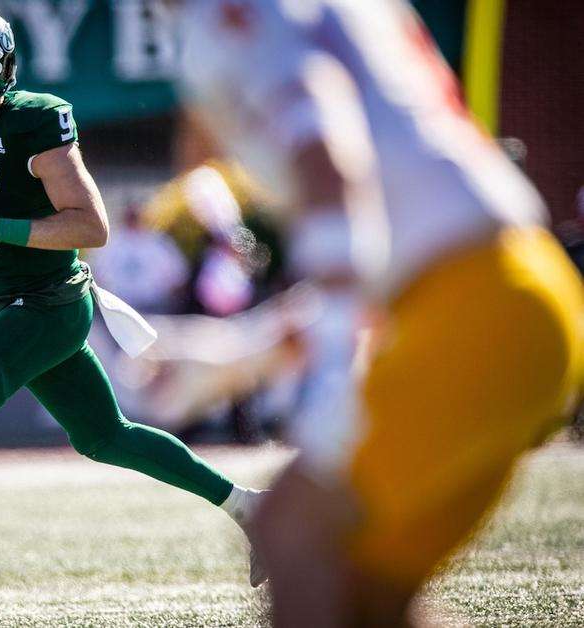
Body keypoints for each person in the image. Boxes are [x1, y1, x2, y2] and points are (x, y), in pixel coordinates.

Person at [178, 1, 583, 625]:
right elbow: (394, 230)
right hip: (513, 290)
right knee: (367, 596)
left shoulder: (239, 13)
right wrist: (253, 349)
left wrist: (330, 377)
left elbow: (331, 163)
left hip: (479, 305)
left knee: (295, 535)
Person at [0, 5, 264, 620]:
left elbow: (92, 226)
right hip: (15, 302)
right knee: (107, 438)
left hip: (52, 302)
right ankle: (248, 507)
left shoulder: (35, 122)